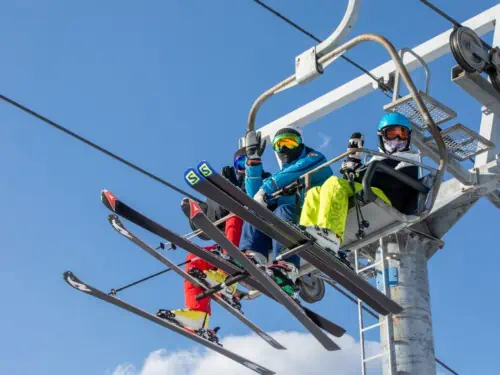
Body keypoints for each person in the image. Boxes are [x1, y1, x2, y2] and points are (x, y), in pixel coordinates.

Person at [159, 149, 258, 331]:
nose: (244, 167)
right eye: (239, 164)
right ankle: (198, 316)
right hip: (229, 245)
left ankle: (226, 278)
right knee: (194, 258)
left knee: (235, 216)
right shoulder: (233, 181)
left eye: (247, 162)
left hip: (253, 242)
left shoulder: (261, 179)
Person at [299, 113, 420, 256]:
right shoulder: (376, 159)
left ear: (409, 136)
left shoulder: (409, 159)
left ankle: (331, 234)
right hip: (370, 192)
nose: (398, 138)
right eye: (392, 133)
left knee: (334, 182)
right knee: (316, 192)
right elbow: (352, 184)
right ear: (382, 136)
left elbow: (393, 183)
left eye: (402, 133)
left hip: (388, 198)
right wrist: (353, 163)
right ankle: (306, 231)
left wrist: (359, 169)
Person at [240, 127, 333, 297]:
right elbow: (255, 195)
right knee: (255, 209)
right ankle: (253, 256)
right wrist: (253, 161)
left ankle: (287, 264)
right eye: (280, 145)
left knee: (283, 209)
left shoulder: (315, 159)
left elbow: (297, 170)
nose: (284, 149)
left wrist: (266, 189)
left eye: (290, 142)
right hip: (287, 223)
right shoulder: (279, 178)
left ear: (300, 144)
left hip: (315, 215)